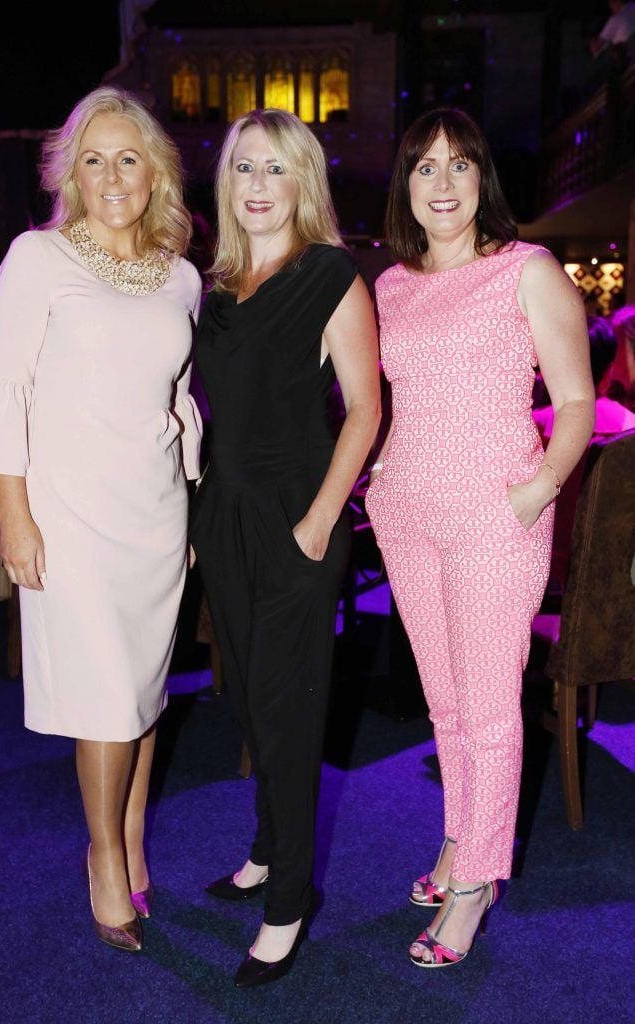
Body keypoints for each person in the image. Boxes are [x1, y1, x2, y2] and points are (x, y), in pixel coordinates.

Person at [0, 86, 202, 952]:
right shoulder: (38, 258)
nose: (112, 175)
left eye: (129, 158)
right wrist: (14, 517)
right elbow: (7, 393)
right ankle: (104, 856)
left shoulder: (179, 275)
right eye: (94, 159)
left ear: (155, 175)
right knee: (106, 699)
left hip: (154, 511)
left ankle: (133, 839)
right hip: (69, 511)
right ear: (73, 171)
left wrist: (183, 509)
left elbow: (181, 404)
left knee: (142, 698)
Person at [365, 107, 594, 968]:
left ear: (482, 179)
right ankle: (462, 839)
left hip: (497, 516)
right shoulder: (392, 286)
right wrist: (380, 475)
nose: (444, 183)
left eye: (460, 166)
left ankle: (474, 885)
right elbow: (395, 401)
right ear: (407, 188)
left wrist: (540, 490)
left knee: (493, 710)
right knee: (448, 705)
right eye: (425, 168)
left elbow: (575, 401)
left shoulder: (527, 270)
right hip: (410, 516)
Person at [189, 108, 381, 988]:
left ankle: (288, 901)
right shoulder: (216, 284)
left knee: (288, 706)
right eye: (242, 169)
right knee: (252, 703)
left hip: (299, 516)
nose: (257, 187)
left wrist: (318, 520)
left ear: (303, 181)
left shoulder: (333, 274)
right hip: (222, 518)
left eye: (275, 169)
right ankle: (268, 848)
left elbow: (366, 409)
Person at [534, 315, 635, 590]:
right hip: (608, 573)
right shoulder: (630, 427)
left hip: (544, 571)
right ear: (610, 365)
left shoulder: (532, 426)